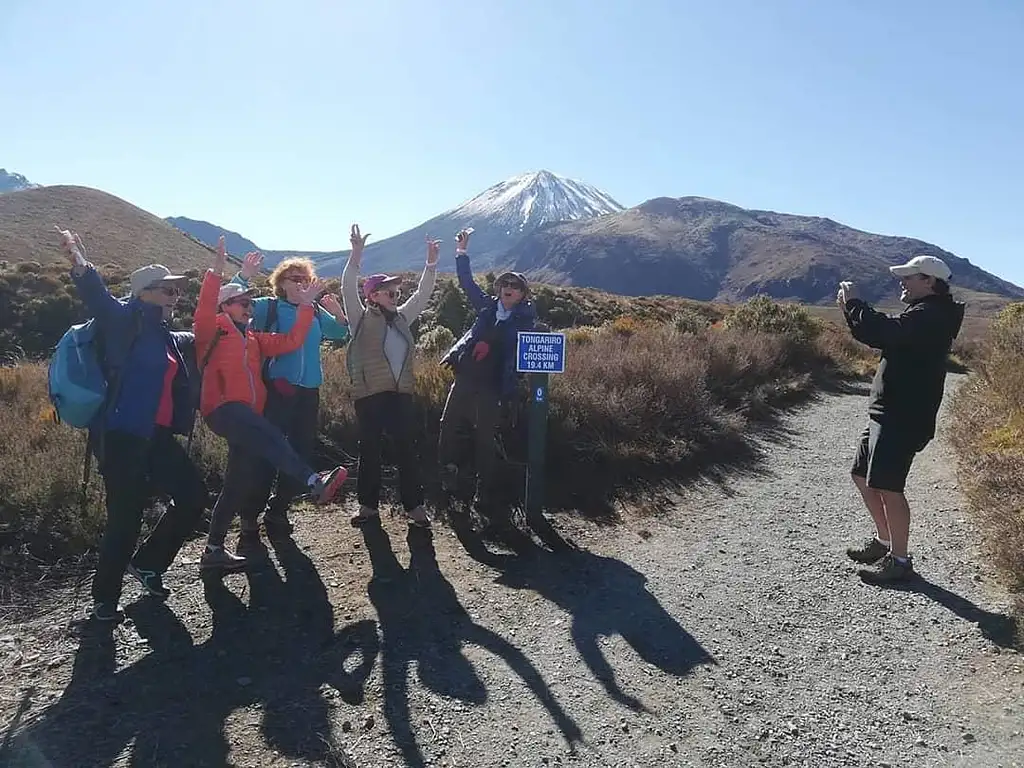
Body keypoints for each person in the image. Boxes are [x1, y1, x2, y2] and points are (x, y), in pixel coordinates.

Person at [58, 228, 206, 622]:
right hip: (121, 435)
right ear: (144, 292)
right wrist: (78, 258)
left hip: (155, 436)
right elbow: (97, 297)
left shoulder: (166, 335)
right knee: (125, 518)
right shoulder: (124, 320)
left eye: (177, 291)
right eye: (167, 290)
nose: (176, 297)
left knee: (193, 497)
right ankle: (104, 601)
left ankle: (149, 564)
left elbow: (202, 334)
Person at [194, 237, 348, 571]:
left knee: (238, 479)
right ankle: (312, 482)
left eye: (250, 307)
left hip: (256, 409)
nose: (249, 310)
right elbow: (212, 301)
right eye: (242, 306)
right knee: (273, 442)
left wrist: (311, 306)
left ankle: (214, 548)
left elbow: (293, 341)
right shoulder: (214, 329)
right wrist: (227, 271)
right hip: (226, 407)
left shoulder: (252, 338)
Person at [839, 254, 965, 584]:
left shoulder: (931, 316)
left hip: (902, 416)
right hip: (889, 413)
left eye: (909, 277)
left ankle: (900, 560)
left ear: (930, 282)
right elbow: (879, 333)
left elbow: (884, 332)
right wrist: (852, 309)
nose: (902, 282)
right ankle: (884, 542)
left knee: (889, 487)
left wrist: (854, 305)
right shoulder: (925, 312)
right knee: (862, 476)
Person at [227, 252, 350, 550]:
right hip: (278, 391)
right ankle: (249, 518)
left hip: (308, 391)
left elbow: (340, 333)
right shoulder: (268, 308)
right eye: (296, 279)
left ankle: (278, 511)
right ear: (280, 283)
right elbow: (230, 303)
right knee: (269, 453)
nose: (303, 284)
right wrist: (242, 275)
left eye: (307, 279)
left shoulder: (315, 312)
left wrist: (337, 311)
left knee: (301, 453)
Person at [341, 224, 438, 528]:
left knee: (406, 451)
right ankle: (368, 508)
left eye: (397, 292)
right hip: (370, 395)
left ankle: (415, 507)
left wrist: (431, 264)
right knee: (370, 452)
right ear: (373, 296)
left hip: (400, 395)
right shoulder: (360, 318)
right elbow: (346, 287)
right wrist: (356, 256)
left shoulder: (401, 319)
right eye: (390, 292)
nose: (397, 296)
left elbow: (423, 295)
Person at [439, 228, 536, 513]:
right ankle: (449, 474)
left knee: (484, 435)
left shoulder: (525, 321)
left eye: (516, 286)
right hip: (467, 376)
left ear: (522, 294)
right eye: (505, 283)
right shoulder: (487, 308)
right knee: (448, 423)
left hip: (493, 384)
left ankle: (484, 491)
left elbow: (523, 353)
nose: (509, 287)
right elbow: (467, 283)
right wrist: (461, 252)